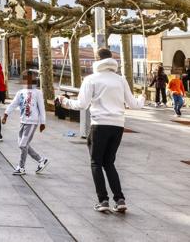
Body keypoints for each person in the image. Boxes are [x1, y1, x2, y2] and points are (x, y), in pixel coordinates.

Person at [59, 48, 145, 213]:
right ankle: (119, 199)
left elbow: (82, 105)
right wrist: (142, 98)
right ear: (112, 60)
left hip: (99, 125)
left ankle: (103, 200)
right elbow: (134, 104)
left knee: (96, 162)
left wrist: (64, 101)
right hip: (118, 126)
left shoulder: (91, 79)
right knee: (109, 162)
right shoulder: (120, 80)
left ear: (96, 60)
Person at [2, 81, 49, 176]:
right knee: (23, 144)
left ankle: (21, 167)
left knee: (23, 145)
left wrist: (42, 122)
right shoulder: (20, 92)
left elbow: (41, 108)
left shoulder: (37, 92)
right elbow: (13, 104)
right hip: (23, 121)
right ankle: (41, 160)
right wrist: (6, 114)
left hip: (32, 122)